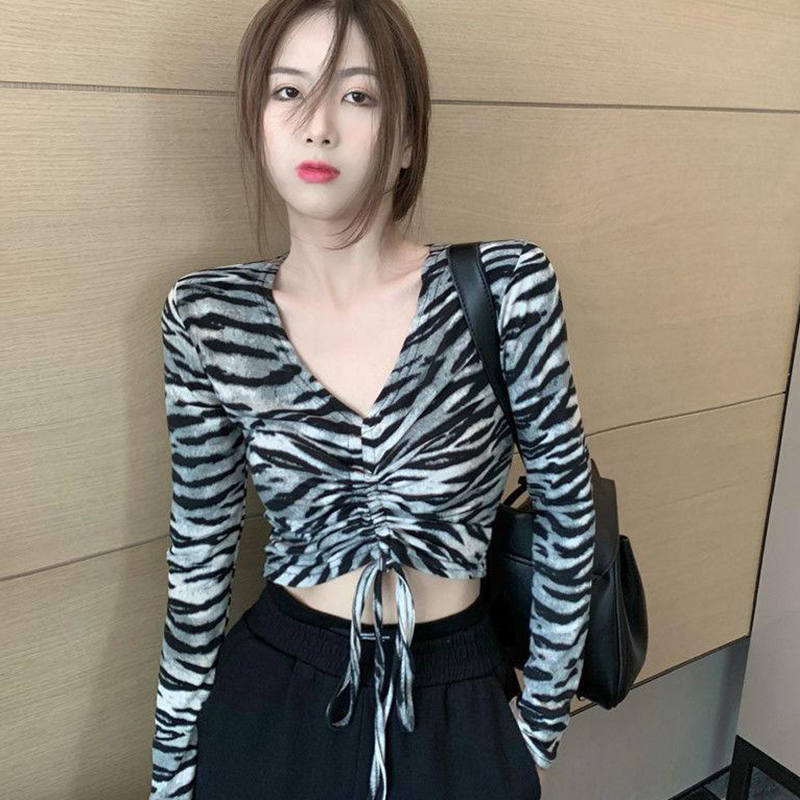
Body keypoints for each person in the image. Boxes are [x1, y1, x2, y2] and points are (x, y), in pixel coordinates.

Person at [148, 1, 596, 798]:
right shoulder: (209, 314)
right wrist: (173, 770)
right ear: (256, 120)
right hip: (274, 696)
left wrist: (537, 733)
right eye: (288, 92)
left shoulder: (505, 287)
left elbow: (568, 509)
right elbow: (200, 557)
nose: (317, 127)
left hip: (458, 697)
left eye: (357, 95)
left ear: (408, 138)